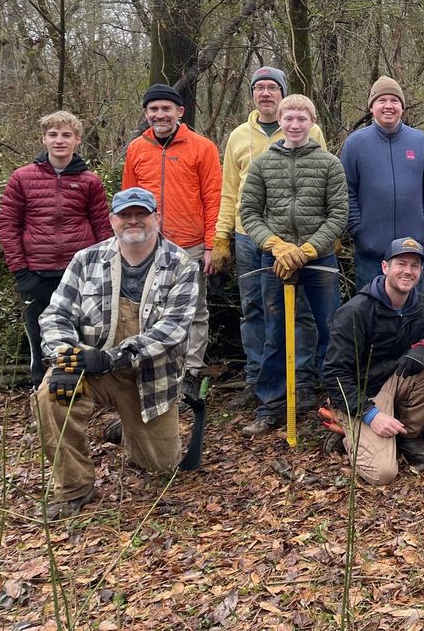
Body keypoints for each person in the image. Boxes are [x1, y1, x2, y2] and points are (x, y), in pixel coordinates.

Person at [34, 188, 199, 518]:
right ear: (112, 221)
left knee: (160, 468)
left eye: (142, 214)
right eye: (125, 215)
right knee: (51, 396)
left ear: (157, 218)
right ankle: (74, 487)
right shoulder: (86, 260)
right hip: (89, 369)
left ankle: (125, 428)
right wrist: (67, 356)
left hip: (149, 376)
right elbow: (55, 314)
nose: (133, 221)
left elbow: (172, 329)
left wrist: (116, 357)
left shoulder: (181, 265)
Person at [213, 66, 326, 408]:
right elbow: (230, 191)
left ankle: (302, 380)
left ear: (282, 94)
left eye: (272, 87)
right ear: (253, 95)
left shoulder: (308, 129)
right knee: (255, 309)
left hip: (298, 239)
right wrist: (222, 238)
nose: (265, 93)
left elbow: (320, 182)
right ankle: (259, 380)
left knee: (302, 310)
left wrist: (322, 238)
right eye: (259, 88)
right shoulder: (237, 136)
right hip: (250, 236)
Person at [238, 95, 347, 437]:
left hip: (320, 261)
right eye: (289, 118)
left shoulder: (330, 164)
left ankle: (338, 403)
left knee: (332, 330)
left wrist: (311, 248)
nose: (295, 124)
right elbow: (250, 212)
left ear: (312, 122)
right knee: (275, 333)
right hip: (277, 261)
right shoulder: (262, 164)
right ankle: (270, 406)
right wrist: (276, 245)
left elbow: (339, 214)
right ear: (281, 121)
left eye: (302, 118)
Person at [0, 111, 112, 388]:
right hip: (36, 272)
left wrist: (103, 268)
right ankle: (41, 387)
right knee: (38, 334)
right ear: (44, 139)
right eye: (53, 134)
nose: (59, 140)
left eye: (66, 135)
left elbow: (103, 228)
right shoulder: (22, 178)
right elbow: (8, 225)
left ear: (77, 140)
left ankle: (80, 389)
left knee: (82, 332)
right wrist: (21, 270)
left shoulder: (90, 181)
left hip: (80, 274)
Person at [123, 83, 222, 399]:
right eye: (154, 109)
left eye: (166, 109)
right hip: (148, 247)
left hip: (191, 244)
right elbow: (127, 201)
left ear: (180, 112)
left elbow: (213, 197)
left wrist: (211, 245)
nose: (160, 114)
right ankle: (155, 369)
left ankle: (191, 373)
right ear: (146, 113)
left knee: (195, 311)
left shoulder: (202, 147)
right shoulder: (137, 149)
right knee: (148, 310)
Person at [321, 237, 424, 483]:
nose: (408, 271)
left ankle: (407, 437)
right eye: (401, 263)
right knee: (383, 474)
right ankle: (344, 428)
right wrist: (370, 415)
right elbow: (334, 373)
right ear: (385, 267)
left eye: (415, 266)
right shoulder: (356, 311)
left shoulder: (420, 305)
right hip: (361, 394)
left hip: (393, 383)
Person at [340, 76, 424, 292]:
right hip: (370, 252)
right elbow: (345, 191)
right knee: (370, 314)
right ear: (372, 107)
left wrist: (423, 223)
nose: (388, 106)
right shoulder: (355, 144)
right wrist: (358, 229)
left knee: (411, 315)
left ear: (402, 107)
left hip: (411, 252)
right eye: (382, 100)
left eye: (394, 101)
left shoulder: (420, 142)